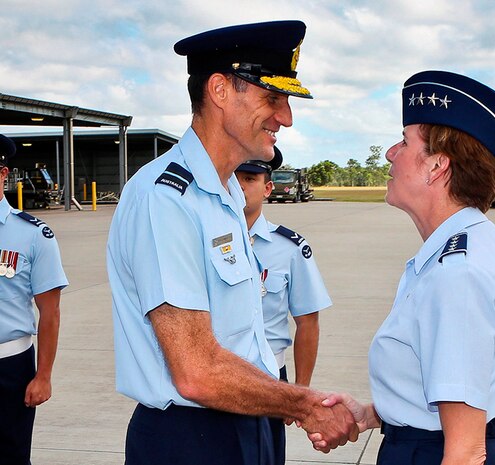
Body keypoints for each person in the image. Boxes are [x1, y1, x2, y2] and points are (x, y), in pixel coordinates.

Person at [106, 20, 356, 465]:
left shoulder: (224, 193)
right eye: (272, 98)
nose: (286, 117)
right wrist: (304, 404)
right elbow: (196, 371)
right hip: (190, 439)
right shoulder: (166, 200)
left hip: (245, 421)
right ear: (220, 91)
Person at [312, 70, 495, 465]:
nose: (390, 153)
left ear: (437, 166)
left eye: (405, 141)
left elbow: (466, 451)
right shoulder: (460, 246)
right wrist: (375, 413)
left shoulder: (456, 272)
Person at [235, 147, 332, 465]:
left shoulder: (289, 248)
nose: (239, 186)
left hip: (268, 376)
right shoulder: (202, 241)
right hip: (216, 374)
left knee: (265, 456)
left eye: (249, 178)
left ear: (267, 188)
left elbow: (308, 321)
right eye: (232, 177)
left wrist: (300, 392)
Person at [0, 134, 67, 465]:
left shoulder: (32, 235)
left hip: (9, 367)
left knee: (11, 455)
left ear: (2, 174)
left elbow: (50, 312)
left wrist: (43, 375)